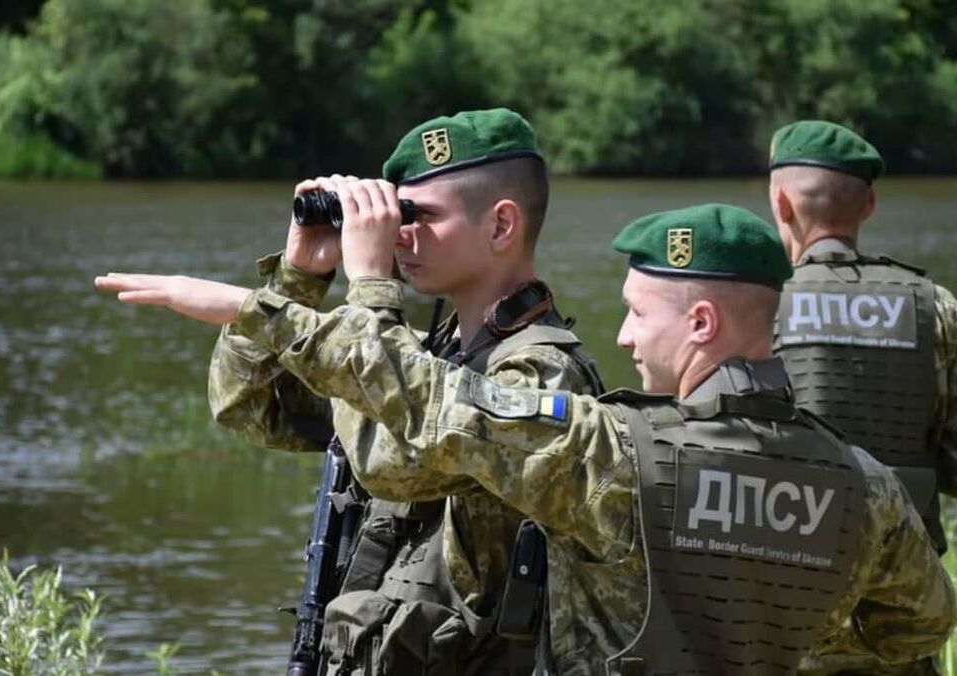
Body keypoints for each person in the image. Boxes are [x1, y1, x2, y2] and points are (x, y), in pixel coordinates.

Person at [199, 201, 953, 675]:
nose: (622, 335)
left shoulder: (617, 454)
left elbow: (431, 417)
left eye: (637, 313)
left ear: (700, 324)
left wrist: (268, 307)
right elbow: (919, 622)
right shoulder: (861, 482)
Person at [97, 108, 604, 675]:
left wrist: (366, 286)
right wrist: (298, 278)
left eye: (418, 216)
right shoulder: (414, 358)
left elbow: (398, 463)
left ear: (501, 225)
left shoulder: (545, 376)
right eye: (393, 214)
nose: (398, 233)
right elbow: (247, 405)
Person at [768, 120, 957, 556]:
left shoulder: (758, 305)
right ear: (869, 204)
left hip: (790, 564)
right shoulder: (934, 305)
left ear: (782, 204)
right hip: (907, 571)